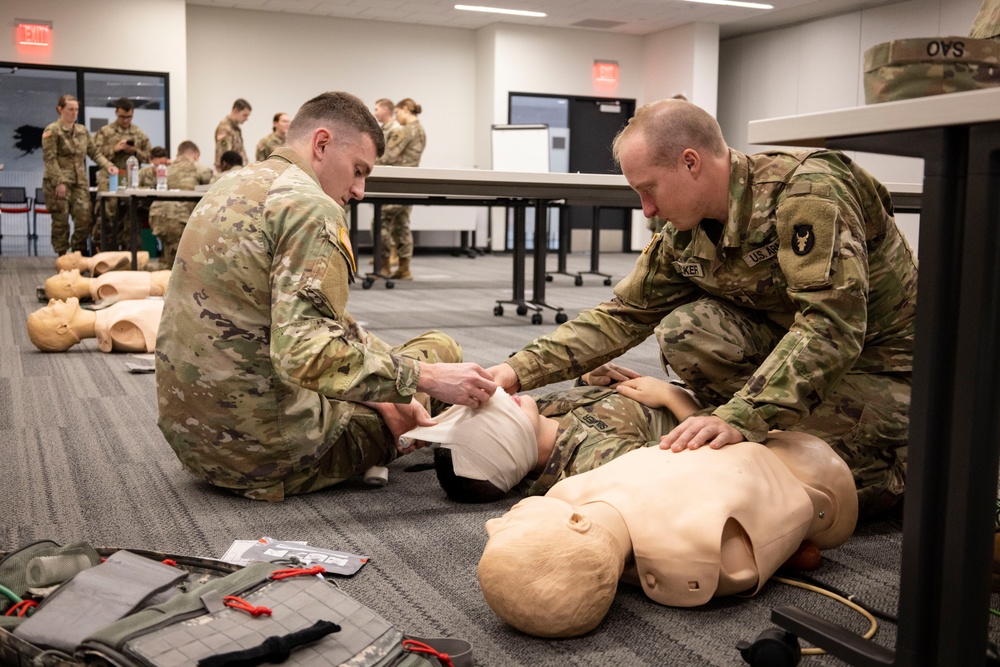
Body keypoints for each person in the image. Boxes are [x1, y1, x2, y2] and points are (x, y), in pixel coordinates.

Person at [488, 99, 917, 517]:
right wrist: (516, 370)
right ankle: (753, 424)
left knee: (801, 470)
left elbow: (830, 327)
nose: (647, 209)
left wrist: (742, 415)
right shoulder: (684, 232)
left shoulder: (807, 191)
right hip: (797, 352)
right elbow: (623, 315)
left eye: (648, 189)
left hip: (883, 366)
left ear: (690, 162)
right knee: (688, 330)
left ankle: (905, 459)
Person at [155, 91, 496, 502]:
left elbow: (315, 324)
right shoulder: (311, 207)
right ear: (321, 144)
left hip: (194, 442)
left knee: (395, 371)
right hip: (267, 453)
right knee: (442, 351)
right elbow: (303, 353)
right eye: (357, 170)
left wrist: (387, 392)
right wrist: (424, 379)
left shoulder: (230, 183)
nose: (359, 189)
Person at [477, 429, 859, 638]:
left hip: (733, 435)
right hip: (817, 472)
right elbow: (788, 512)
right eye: (510, 526)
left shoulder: (573, 497)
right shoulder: (692, 558)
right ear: (578, 525)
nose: (495, 522)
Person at [403, 369, 699, 503]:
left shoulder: (537, 413)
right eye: (493, 417)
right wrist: (675, 399)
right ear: (511, 448)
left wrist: (587, 382)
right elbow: (693, 460)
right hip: (721, 412)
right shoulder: (593, 463)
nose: (498, 397)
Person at [41, 94, 119, 256]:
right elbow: (50, 159)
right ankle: (62, 256)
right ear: (60, 109)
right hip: (59, 182)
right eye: (70, 109)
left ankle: (77, 253)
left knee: (84, 219)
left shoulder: (82, 131)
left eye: (76, 109)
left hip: (79, 183)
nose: (74, 112)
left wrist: (108, 165)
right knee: (61, 222)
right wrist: (59, 181)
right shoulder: (52, 131)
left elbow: (94, 153)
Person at [374, 98, 426, 281]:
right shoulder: (421, 130)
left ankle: (384, 267)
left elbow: (388, 156)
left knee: (380, 222)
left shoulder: (405, 131)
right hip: (411, 184)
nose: (397, 117)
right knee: (402, 224)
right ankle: (404, 268)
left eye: (397, 113)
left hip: (397, 184)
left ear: (405, 109)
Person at [92, 97, 153, 247]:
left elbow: (150, 157)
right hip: (110, 179)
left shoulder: (139, 133)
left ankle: (128, 252)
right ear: (116, 113)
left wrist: (134, 151)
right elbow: (95, 154)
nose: (125, 120)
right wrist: (114, 149)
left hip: (131, 179)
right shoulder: (105, 132)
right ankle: (102, 249)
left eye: (129, 117)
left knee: (130, 215)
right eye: (122, 117)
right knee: (107, 215)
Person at [147, 140, 213, 268]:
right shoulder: (198, 167)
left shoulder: (167, 168)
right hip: (179, 217)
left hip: (157, 214)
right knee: (179, 263)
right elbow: (210, 183)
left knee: (169, 255)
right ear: (196, 155)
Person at [27, 297, 163, 354]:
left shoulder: (110, 318)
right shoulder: (117, 327)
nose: (51, 301)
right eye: (49, 310)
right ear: (63, 328)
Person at [44, 268, 170, 302]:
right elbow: (152, 290)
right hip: (167, 284)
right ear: (68, 286)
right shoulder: (104, 288)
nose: (62, 271)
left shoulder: (101, 282)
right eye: (60, 276)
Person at [214, 98, 251, 171]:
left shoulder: (235, 128)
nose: (247, 119)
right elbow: (225, 156)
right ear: (235, 111)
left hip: (237, 171)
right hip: (229, 172)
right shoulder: (224, 129)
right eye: (245, 115)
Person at [55, 250, 150, 275]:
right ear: (74, 265)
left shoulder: (95, 260)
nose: (69, 254)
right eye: (66, 258)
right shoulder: (98, 265)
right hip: (142, 261)